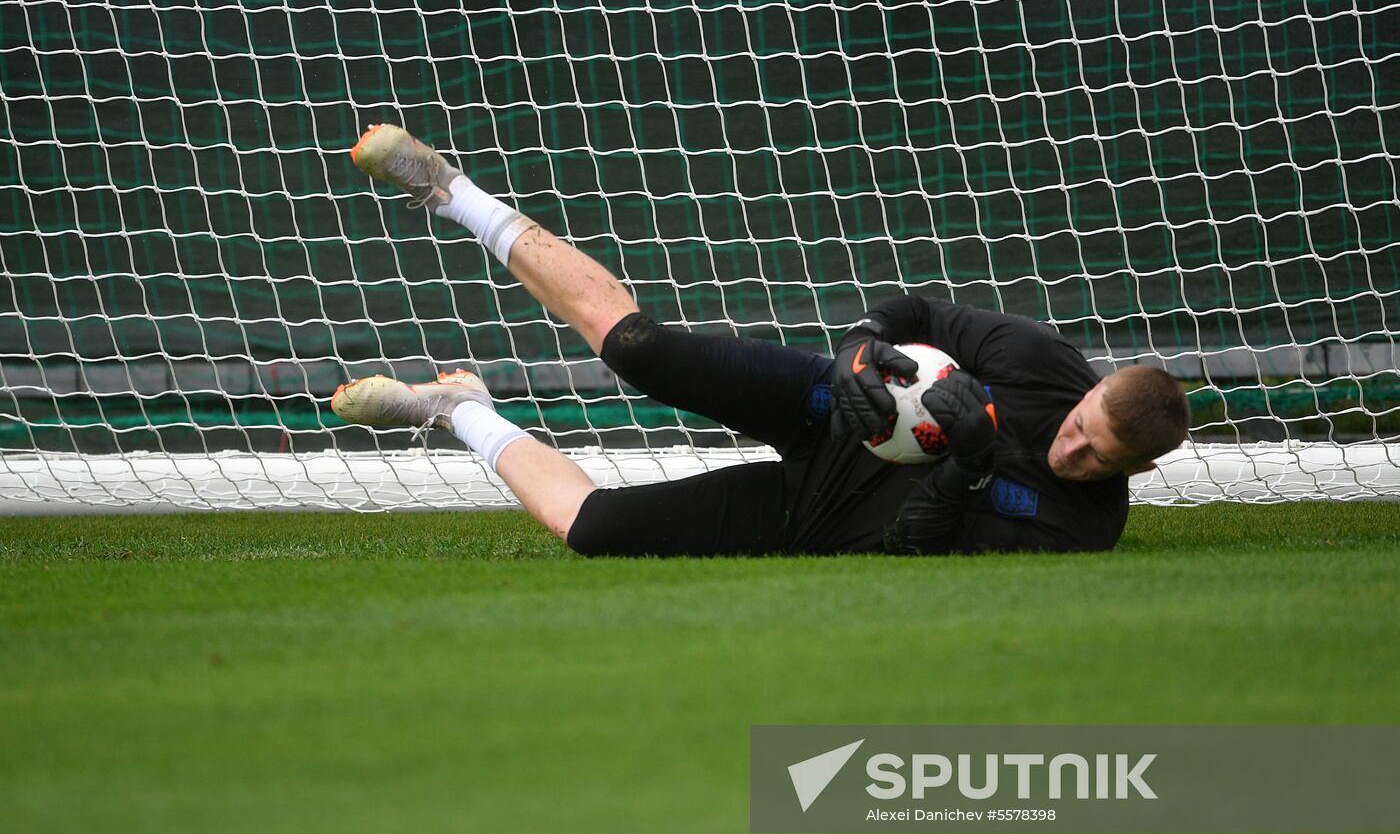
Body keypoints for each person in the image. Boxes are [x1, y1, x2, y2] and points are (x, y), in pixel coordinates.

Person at [332, 125, 1189, 557]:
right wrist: (859, 351)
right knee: (637, 349)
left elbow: (909, 551)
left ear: (1132, 473)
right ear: (1091, 389)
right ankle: (452, 193)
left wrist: (967, 464)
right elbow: (916, 311)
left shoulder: (1083, 522)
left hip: (820, 513)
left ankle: (459, 409)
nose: (1073, 447)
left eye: (1094, 455)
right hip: (834, 405)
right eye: (1082, 425)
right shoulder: (1046, 367)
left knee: (594, 530)